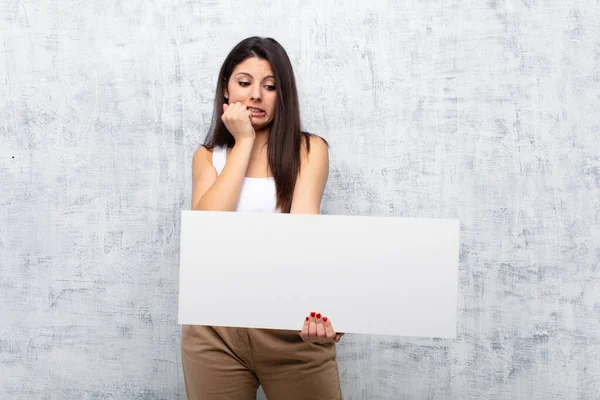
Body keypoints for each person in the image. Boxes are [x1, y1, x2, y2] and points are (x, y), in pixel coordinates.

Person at [181, 36, 344, 399]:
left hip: (288, 328)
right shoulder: (208, 157)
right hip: (214, 330)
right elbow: (206, 232)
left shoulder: (308, 150)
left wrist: (325, 311)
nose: (256, 95)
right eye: (244, 83)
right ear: (226, 90)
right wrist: (243, 143)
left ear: (282, 95)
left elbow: (303, 239)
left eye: (270, 86)